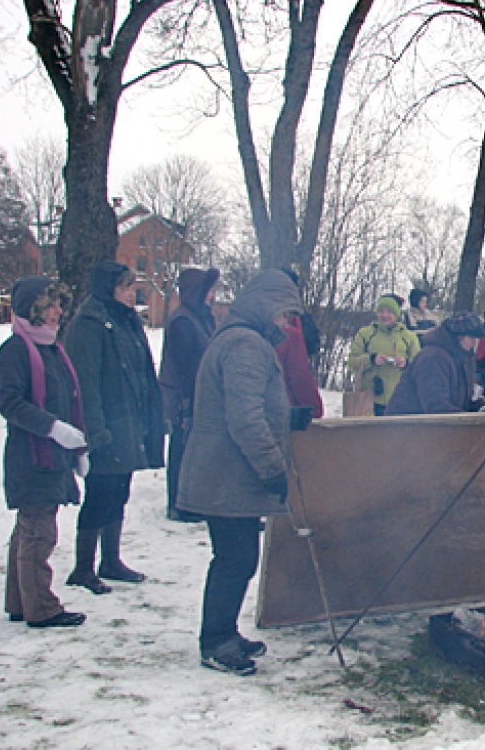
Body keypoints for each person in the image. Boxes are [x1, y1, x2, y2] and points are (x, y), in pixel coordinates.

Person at [176, 270, 310, 675]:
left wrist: (290, 416)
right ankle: (216, 642)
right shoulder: (246, 345)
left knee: (236, 557)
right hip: (227, 473)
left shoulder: (240, 339)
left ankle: (224, 632)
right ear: (267, 307)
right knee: (234, 558)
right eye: (284, 315)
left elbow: (252, 406)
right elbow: (245, 418)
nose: (286, 324)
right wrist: (272, 468)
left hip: (227, 471)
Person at [63, 261, 165, 594]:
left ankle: (111, 559)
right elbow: (85, 382)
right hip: (106, 423)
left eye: (131, 286)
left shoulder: (127, 322)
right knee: (100, 494)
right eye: (123, 286)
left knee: (119, 492)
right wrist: (95, 429)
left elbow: (141, 373)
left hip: (128, 422)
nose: (130, 293)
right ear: (107, 288)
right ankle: (83, 567)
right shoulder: (89, 325)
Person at [0, 277, 87, 629]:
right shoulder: (15, 351)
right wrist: (53, 428)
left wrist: (76, 445)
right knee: (38, 531)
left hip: (53, 455)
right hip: (31, 456)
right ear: (33, 310)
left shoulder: (51, 349)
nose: (58, 312)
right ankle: (41, 608)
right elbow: (11, 403)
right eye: (51, 306)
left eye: (59, 305)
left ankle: (21, 601)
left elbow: (68, 398)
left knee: (29, 528)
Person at [158, 267, 220, 522]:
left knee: (193, 450)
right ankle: (178, 503)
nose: (213, 296)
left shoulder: (202, 318)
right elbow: (186, 366)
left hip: (197, 394)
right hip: (183, 395)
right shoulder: (183, 321)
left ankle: (191, 500)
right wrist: (188, 401)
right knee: (182, 450)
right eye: (210, 290)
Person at [385, 312, 485, 415]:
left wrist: (481, 407)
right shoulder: (433, 358)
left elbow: (466, 397)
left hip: (431, 425)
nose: (475, 342)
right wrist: (468, 419)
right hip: (406, 425)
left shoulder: (466, 356)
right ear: (458, 336)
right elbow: (435, 406)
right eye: (471, 338)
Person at [347, 295, 420, 415]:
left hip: (399, 400)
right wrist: (371, 359)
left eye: (390, 312)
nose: (385, 315)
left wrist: (406, 363)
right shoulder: (365, 334)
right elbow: (352, 363)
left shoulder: (409, 337)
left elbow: (419, 368)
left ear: (396, 314)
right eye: (381, 311)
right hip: (368, 400)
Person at [275, 312, 324, 416]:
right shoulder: (290, 335)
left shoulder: (245, 327)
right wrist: (314, 410)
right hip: (284, 412)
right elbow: (300, 378)